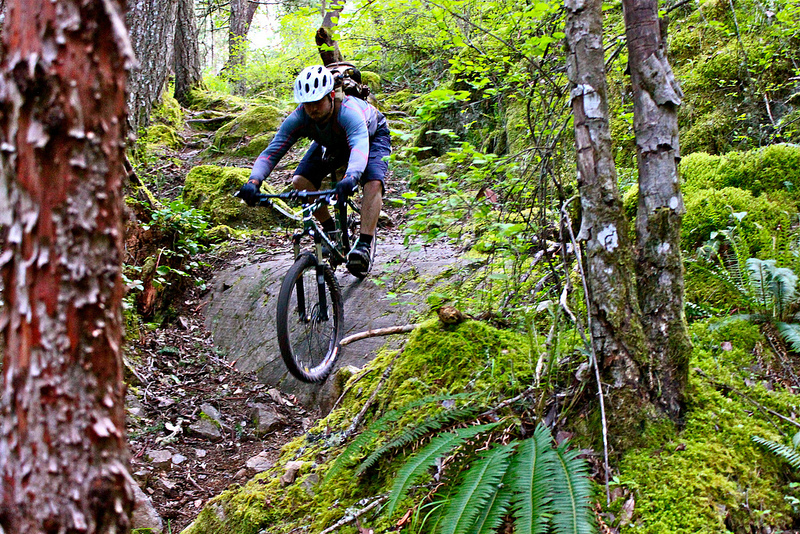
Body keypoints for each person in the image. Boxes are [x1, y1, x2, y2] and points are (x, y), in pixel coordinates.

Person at [237, 65, 391, 278]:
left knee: (372, 182)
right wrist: (253, 181)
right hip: (332, 141)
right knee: (300, 182)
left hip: (371, 137)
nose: (312, 109)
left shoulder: (349, 112)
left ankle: (364, 244)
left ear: (330, 96)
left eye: (317, 102)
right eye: (307, 104)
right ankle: (331, 230)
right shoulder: (301, 117)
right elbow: (272, 151)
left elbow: (359, 146)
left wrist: (352, 176)